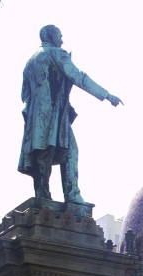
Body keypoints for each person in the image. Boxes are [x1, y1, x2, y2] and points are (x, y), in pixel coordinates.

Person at [18, 24, 122, 204]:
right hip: (53, 112)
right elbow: (79, 77)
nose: (62, 40)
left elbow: (24, 94)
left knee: (43, 154)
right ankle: (72, 194)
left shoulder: (29, 62)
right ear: (51, 36)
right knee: (71, 152)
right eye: (59, 36)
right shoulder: (58, 54)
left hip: (36, 115)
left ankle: (42, 194)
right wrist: (106, 95)